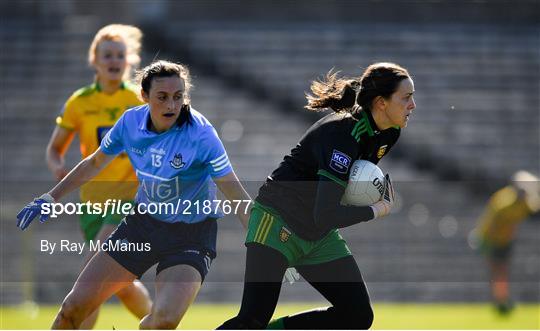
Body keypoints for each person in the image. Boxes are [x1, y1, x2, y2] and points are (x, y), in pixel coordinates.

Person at [17, 60, 252, 329]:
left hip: (191, 235)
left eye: (178, 97)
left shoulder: (201, 134)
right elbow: (94, 163)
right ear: (144, 96)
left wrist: (268, 249)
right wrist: (51, 197)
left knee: (163, 320)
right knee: (72, 309)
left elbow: (236, 192)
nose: (172, 106)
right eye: (162, 97)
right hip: (141, 227)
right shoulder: (130, 122)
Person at [218, 62, 415, 329]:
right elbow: (326, 214)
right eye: (406, 98)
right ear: (381, 102)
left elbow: (344, 193)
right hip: (278, 222)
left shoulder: (389, 133)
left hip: (316, 232)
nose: (412, 105)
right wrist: (377, 209)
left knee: (357, 315)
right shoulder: (343, 134)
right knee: (253, 319)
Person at [44, 24, 151, 328]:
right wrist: (57, 165)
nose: (114, 60)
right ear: (95, 60)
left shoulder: (138, 100)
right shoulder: (80, 102)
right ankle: (161, 321)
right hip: (92, 204)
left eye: (120, 54)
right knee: (120, 284)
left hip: (130, 200)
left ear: (129, 60)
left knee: (92, 268)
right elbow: (54, 149)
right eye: (107, 55)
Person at [475, 170, 540, 314]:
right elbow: (490, 225)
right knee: (498, 271)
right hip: (494, 240)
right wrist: (485, 242)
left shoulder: (527, 201)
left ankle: (502, 300)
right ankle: (500, 301)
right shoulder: (503, 202)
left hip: (506, 240)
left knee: (502, 272)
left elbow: (532, 209)